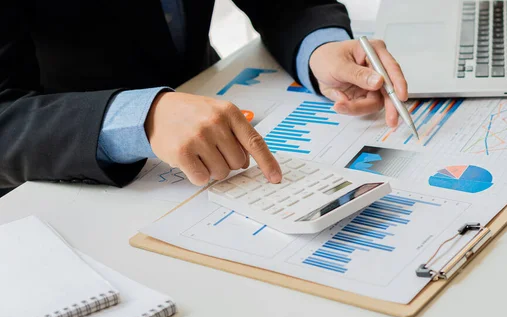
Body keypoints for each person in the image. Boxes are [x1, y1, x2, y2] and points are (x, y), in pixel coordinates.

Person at [0, 0, 407, 193]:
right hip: (60, 164)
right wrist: (142, 116)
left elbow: (287, 4)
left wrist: (318, 48)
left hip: (210, 91)